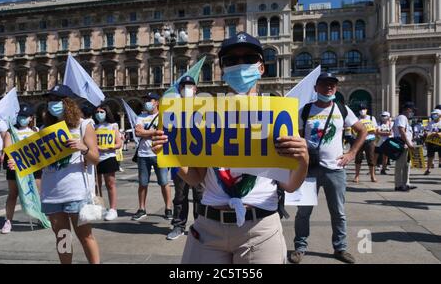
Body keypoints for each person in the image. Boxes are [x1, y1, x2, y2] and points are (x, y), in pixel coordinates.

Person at [152, 32, 309, 264]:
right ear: (223, 71)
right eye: (231, 61)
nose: (240, 64)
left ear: (261, 67)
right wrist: (170, 155)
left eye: (248, 58)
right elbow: (196, 178)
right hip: (208, 227)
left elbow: (291, 185)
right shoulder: (204, 116)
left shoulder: (279, 115)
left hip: (260, 229)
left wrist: (303, 159)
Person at [289, 72, 367, 264]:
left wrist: (351, 153)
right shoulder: (305, 111)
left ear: (336, 88)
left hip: (335, 170)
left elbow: (363, 130)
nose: (329, 87)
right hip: (308, 170)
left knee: (338, 212)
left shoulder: (343, 109)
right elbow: (297, 137)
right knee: (303, 212)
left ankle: (340, 248)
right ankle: (300, 247)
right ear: (316, 88)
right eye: (324, 84)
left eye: (332, 84)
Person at [37, 85, 100, 264]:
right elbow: (37, 162)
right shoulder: (45, 129)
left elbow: (96, 158)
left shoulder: (84, 126)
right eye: (49, 100)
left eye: (56, 100)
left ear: (68, 103)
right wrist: (20, 163)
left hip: (77, 193)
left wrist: (83, 148)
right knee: (62, 238)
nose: (52, 104)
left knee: (85, 236)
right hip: (52, 194)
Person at [166, 76, 204, 241]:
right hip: (179, 156)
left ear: (196, 89)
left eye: (190, 86)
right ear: (179, 89)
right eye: (184, 86)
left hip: (200, 156)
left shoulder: (204, 107)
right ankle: (178, 225)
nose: (187, 88)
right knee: (180, 194)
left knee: (200, 194)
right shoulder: (172, 108)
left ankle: (201, 224)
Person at [1, 104, 41, 234]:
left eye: (25, 116)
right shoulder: (11, 131)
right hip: (15, 168)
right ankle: (8, 221)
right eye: (20, 116)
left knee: (37, 193)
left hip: (34, 167)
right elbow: (9, 149)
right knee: (13, 194)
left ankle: (40, 217)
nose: (22, 118)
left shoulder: (36, 131)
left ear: (31, 118)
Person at [132, 92, 172, 221]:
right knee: (142, 183)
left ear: (157, 102)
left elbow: (165, 132)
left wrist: (146, 132)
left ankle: (168, 208)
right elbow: (138, 132)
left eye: (150, 100)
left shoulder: (163, 116)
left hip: (159, 153)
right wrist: (155, 132)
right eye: (146, 100)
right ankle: (141, 208)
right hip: (143, 154)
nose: (147, 102)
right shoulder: (141, 116)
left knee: (164, 182)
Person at [94, 104, 122, 221]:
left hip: (108, 157)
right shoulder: (94, 126)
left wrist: (109, 147)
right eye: (97, 112)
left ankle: (113, 209)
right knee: (96, 184)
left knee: (110, 183)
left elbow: (119, 143)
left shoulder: (112, 126)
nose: (99, 114)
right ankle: (100, 207)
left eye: (101, 112)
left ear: (107, 113)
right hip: (96, 158)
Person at [392, 102, 417, 192]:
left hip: (406, 145)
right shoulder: (402, 117)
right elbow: (401, 131)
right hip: (402, 144)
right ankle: (398, 185)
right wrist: (408, 143)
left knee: (406, 165)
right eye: (412, 110)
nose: (413, 112)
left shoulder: (405, 119)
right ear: (408, 109)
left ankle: (406, 183)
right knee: (400, 165)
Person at [353, 104, 378, 183]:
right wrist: (366, 131)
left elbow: (374, 130)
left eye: (363, 109)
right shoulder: (357, 119)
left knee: (370, 158)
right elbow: (354, 131)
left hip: (370, 140)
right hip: (359, 140)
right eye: (360, 109)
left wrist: (363, 132)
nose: (362, 110)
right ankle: (356, 176)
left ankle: (372, 175)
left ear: (366, 109)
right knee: (358, 158)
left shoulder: (371, 118)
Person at [423, 109, 441, 175]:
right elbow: (426, 132)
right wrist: (428, 133)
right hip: (431, 142)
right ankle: (428, 169)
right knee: (430, 157)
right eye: (433, 114)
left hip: (440, 142)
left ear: (440, 115)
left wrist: (438, 134)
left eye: (435, 114)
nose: (434, 115)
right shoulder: (430, 123)